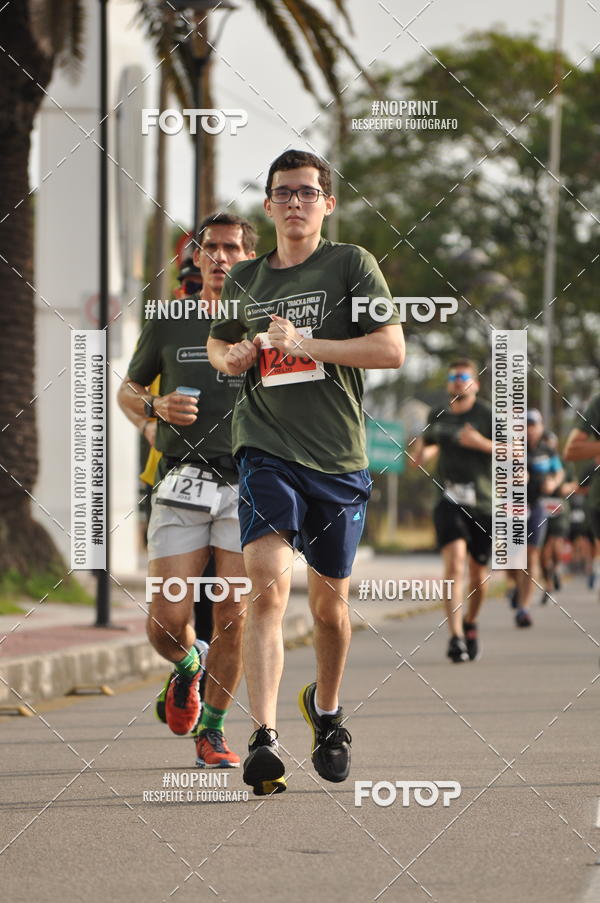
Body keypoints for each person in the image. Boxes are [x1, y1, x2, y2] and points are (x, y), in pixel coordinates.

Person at [207, 149, 404, 796]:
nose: (296, 202)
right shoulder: (247, 279)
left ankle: (326, 711)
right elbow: (219, 340)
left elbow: (391, 349)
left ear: (327, 203)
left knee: (329, 610)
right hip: (264, 445)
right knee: (265, 585)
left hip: (338, 457)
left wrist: (306, 344)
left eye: (307, 192)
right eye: (284, 193)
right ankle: (263, 737)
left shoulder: (350, 264)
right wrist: (230, 355)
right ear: (268, 205)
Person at [117, 212, 257, 768]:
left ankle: (215, 731)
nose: (221, 257)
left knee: (233, 616)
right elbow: (128, 390)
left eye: (232, 249)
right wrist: (153, 406)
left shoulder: (266, 322)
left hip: (249, 480)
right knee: (168, 621)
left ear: (249, 258)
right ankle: (187, 666)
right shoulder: (170, 320)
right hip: (183, 477)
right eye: (212, 249)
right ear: (196, 257)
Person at [411, 360, 493, 662]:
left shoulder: (487, 415)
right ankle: (456, 636)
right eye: (453, 377)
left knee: (478, 575)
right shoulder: (438, 415)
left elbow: (514, 450)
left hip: (484, 503)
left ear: (474, 384)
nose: (457, 382)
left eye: (463, 377)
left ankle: (471, 622)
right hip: (448, 499)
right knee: (455, 564)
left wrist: (480, 443)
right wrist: (421, 453)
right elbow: (431, 446)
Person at [516, 409, 564, 627]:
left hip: (537, 506)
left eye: (533, 425)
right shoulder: (511, 447)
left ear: (540, 427)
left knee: (531, 555)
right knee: (513, 558)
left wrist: (553, 482)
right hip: (512, 506)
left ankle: (524, 608)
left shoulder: (548, 451)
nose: (529, 429)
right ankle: (514, 588)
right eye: (525, 425)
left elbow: (559, 472)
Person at [564, 392, 600, 595]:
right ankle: (591, 568)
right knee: (585, 542)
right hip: (590, 508)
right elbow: (572, 450)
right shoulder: (598, 403)